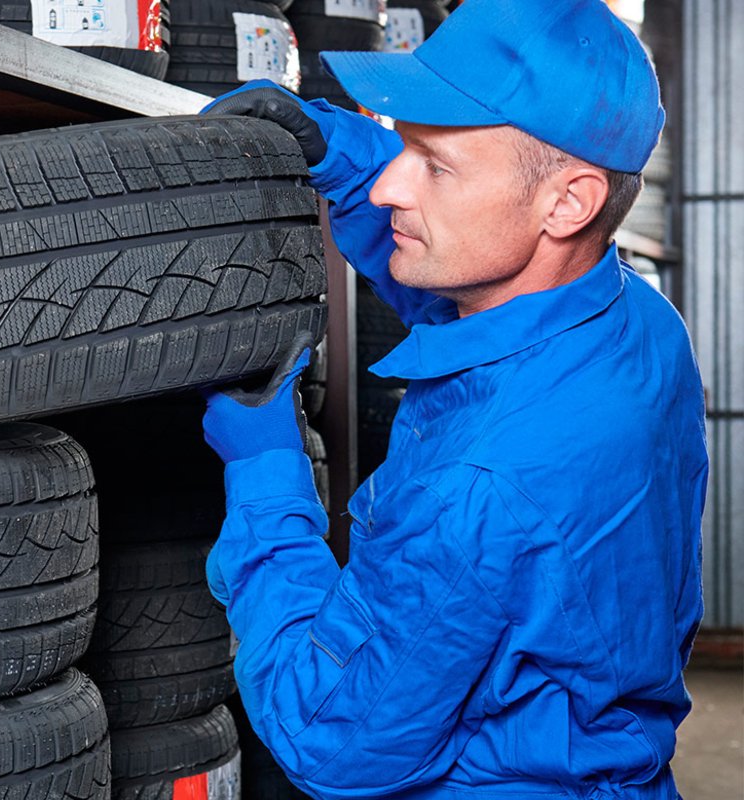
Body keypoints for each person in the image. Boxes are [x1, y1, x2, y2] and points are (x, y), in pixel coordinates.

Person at [196, 0, 709, 797]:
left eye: (434, 164)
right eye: (402, 143)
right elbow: (467, 282)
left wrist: (267, 473)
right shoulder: (638, 320)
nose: (397, 182)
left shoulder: (478, 489)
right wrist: (338, 148)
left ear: (568, 202)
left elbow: (326, 737)